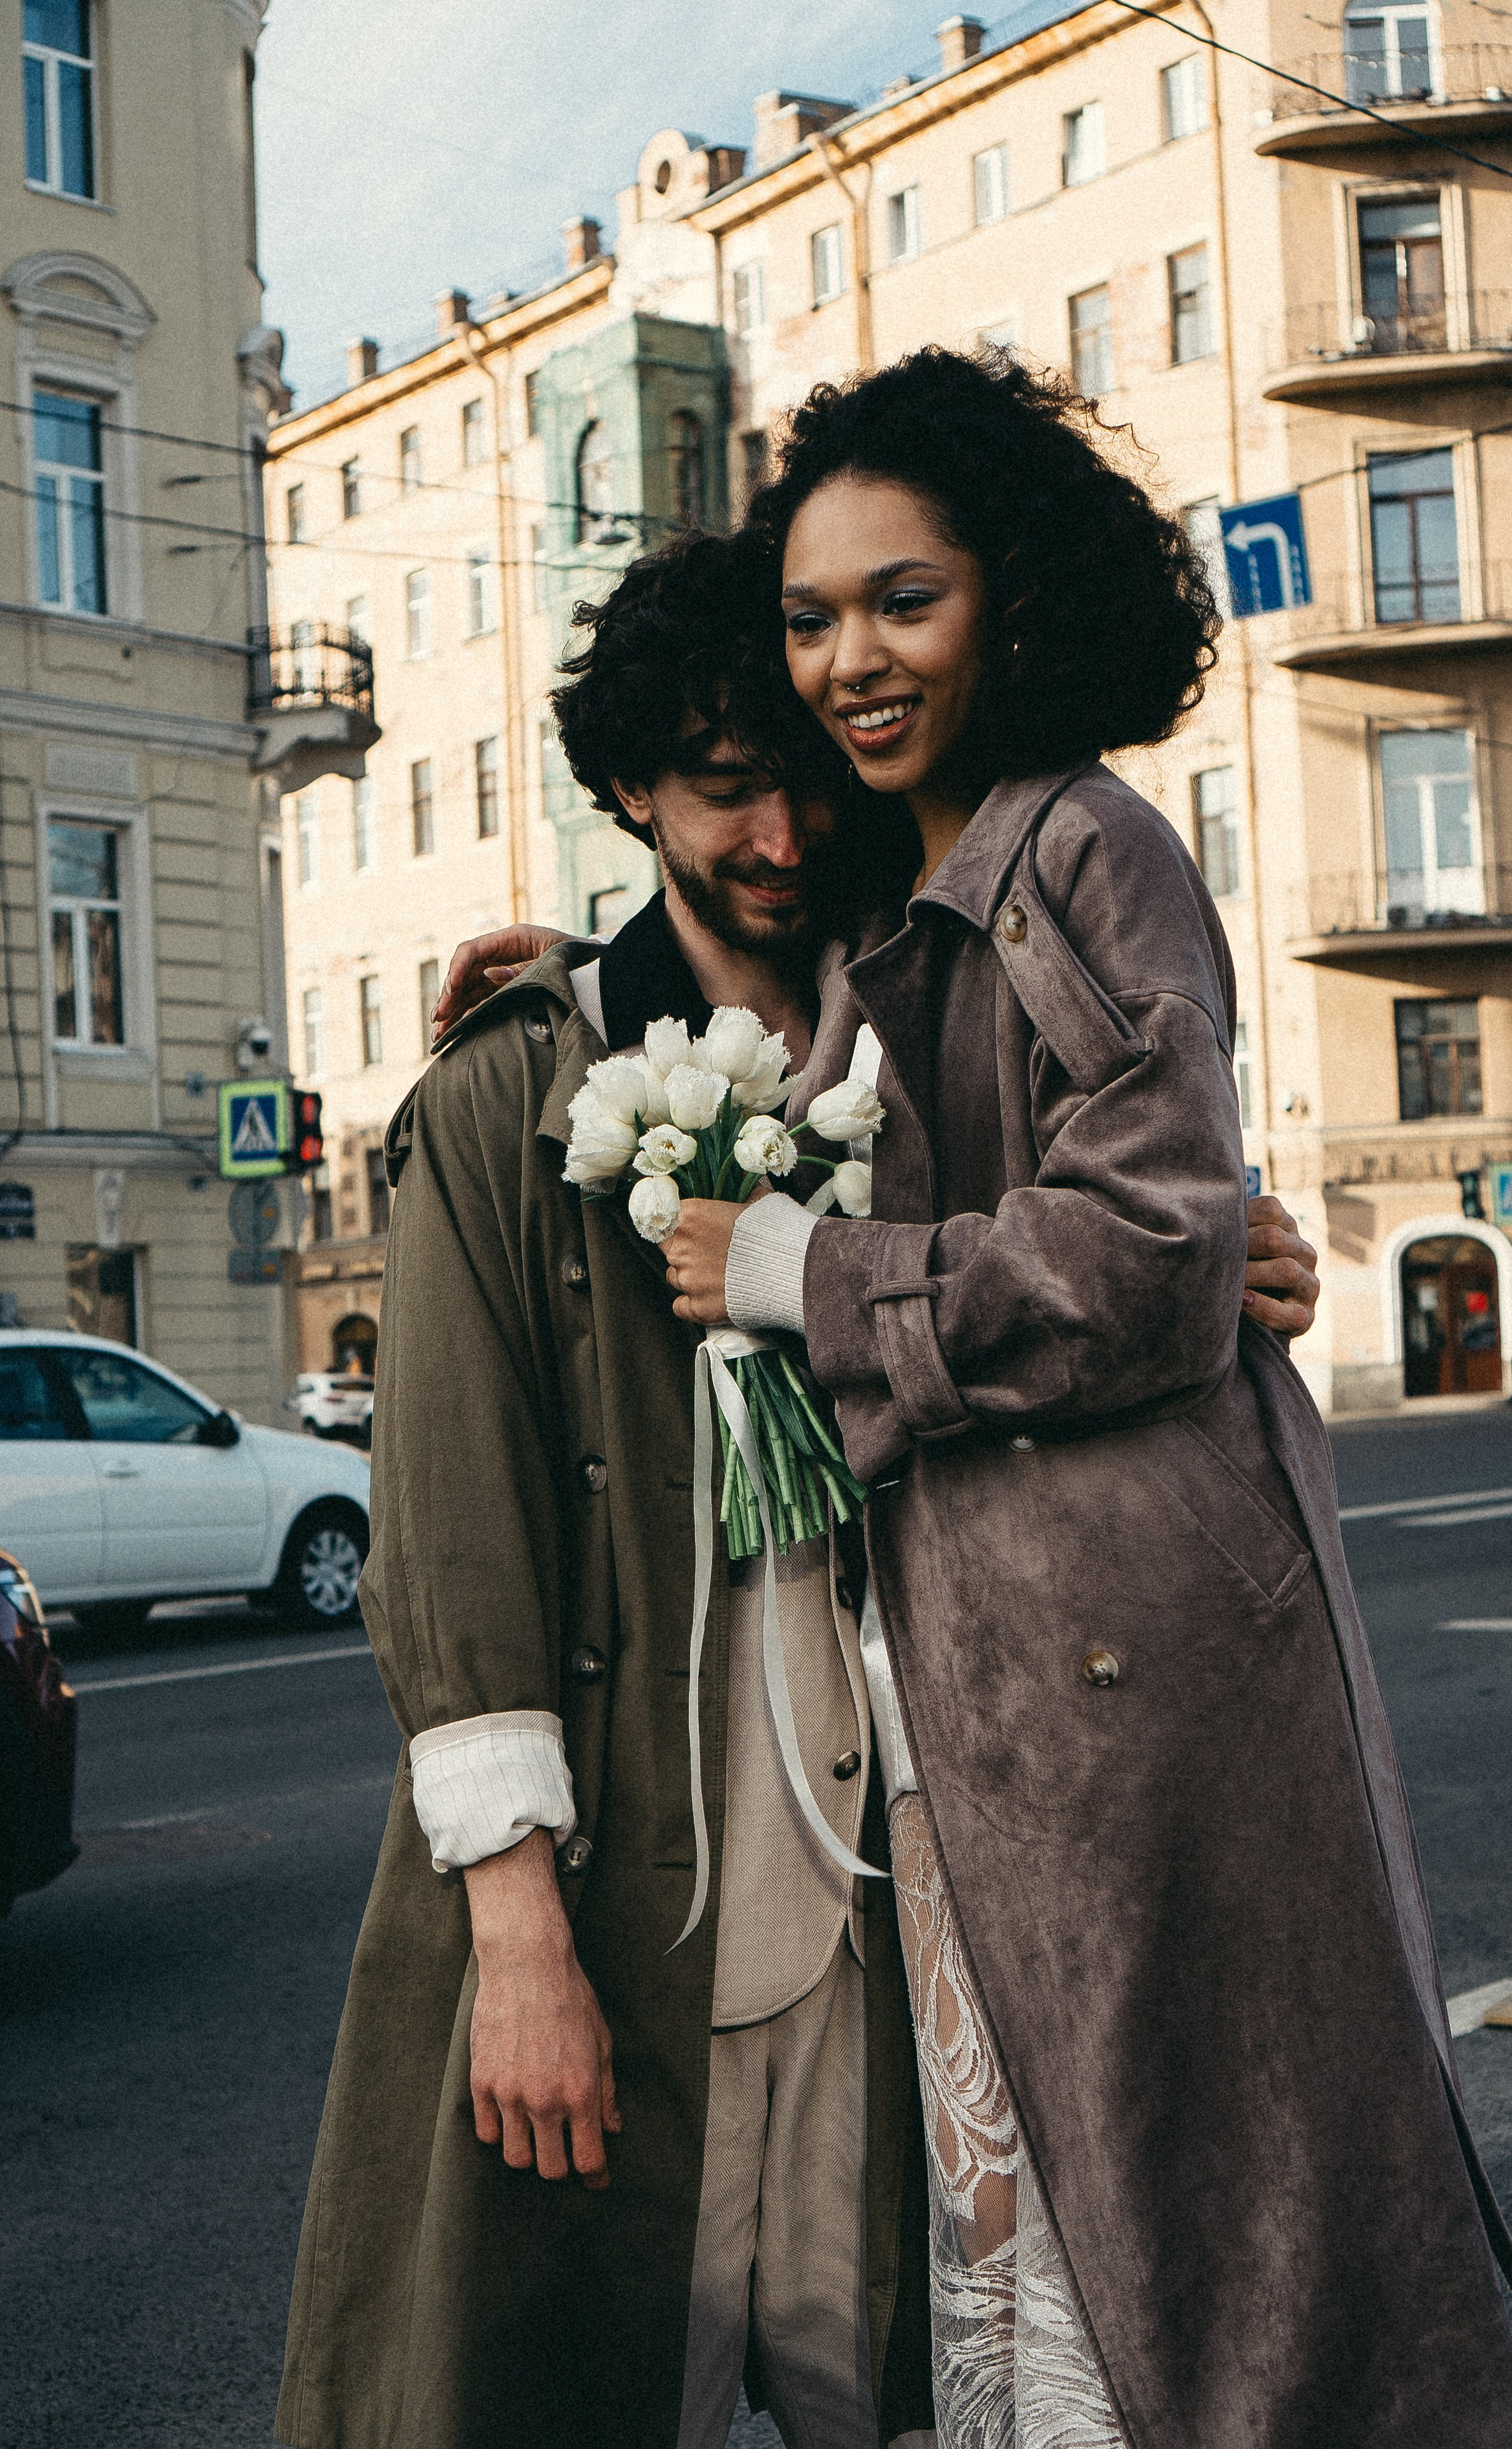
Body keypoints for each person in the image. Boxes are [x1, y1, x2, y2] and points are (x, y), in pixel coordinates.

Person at [645, 348, 1512, 2446]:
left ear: (1011, 599)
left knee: (1217, 2224)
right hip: (992, 1683)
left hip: (1140, 1671)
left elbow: (1133, 1256)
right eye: (811, 615)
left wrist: (806, 1277)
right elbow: (1140, 1217)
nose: (850, 662)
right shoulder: (893, 901)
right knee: (1059, 2215)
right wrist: (573, 989)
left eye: (902, 602)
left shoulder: (1085, 850)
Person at [277, 529, 938, 2449]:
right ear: (634, 787)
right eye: (728, 787)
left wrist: (1221, 1261)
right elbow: (456, 1540)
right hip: (624, 1923)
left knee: (919, 2395)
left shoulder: (929, 1060)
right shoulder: (503, 1099)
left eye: (811, 775)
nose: (785, 832)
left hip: (906, 1929)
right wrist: (519, 1950)